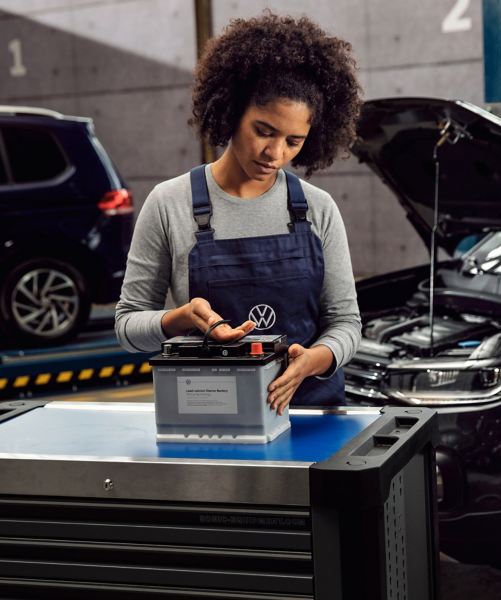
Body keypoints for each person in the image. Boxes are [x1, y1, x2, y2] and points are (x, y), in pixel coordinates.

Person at [115, 11, 362, 415]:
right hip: (206, 417)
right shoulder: (168, 204)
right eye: (264, 131)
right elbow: (127, 327)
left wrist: (316, 359)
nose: (276, 154)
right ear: (232, 111)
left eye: (294, 141)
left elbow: (346, 324)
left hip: (309, 416)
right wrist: (180, 318)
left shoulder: (318, 209)